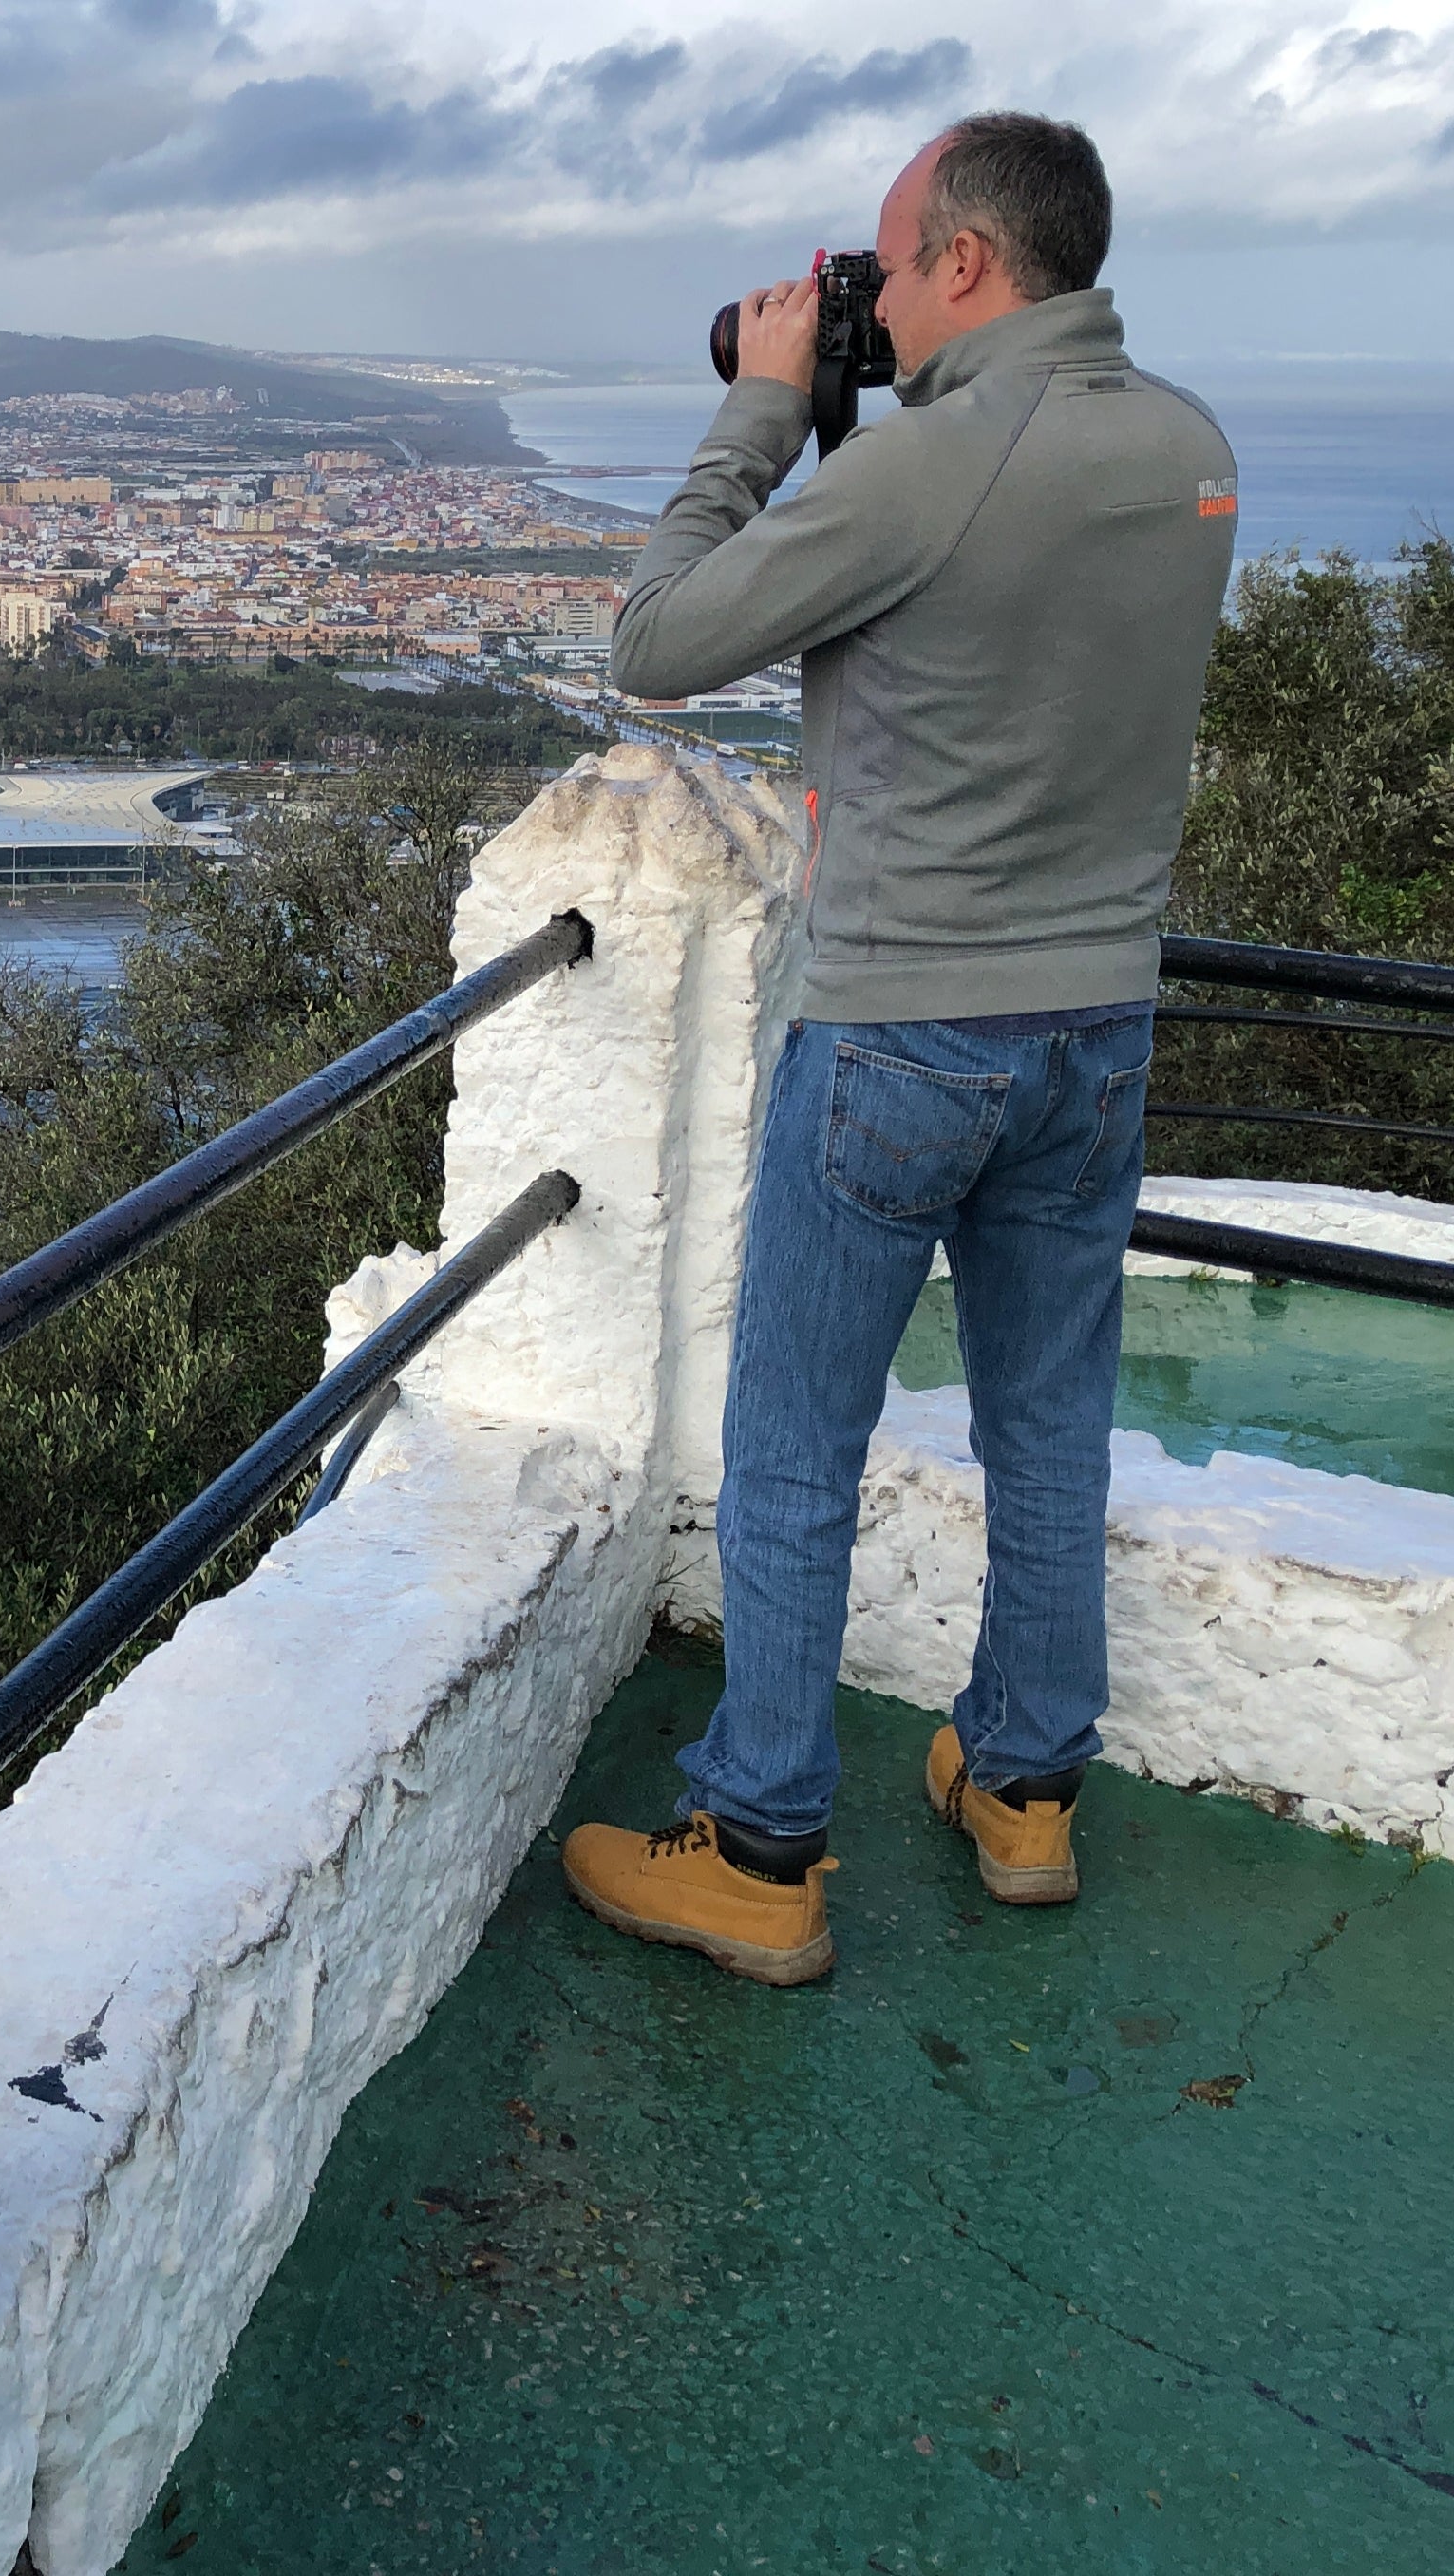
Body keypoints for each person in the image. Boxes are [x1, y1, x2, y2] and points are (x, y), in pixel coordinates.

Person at [560, 114, 1239, 1986]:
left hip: (897, 1034)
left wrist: (769, 411)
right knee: (1047, 1422)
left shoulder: (925, 466)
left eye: (868, 271)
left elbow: (655, 642)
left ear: (962, 263)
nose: (850, 304)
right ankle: (1021, 1786)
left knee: (790, 1440)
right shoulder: (1189, 450)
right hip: (1094, 1030)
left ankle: (757, 1844)